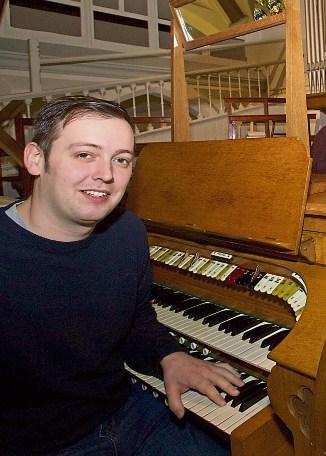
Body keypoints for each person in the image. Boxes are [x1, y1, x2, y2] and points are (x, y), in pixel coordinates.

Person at [0, 96, 243, 455]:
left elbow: (135, 318)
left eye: (122, 159)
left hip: (128, 412)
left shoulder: (126, 232)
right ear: (36, 159)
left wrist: (168, 356)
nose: (107, 174)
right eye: (85, 154)